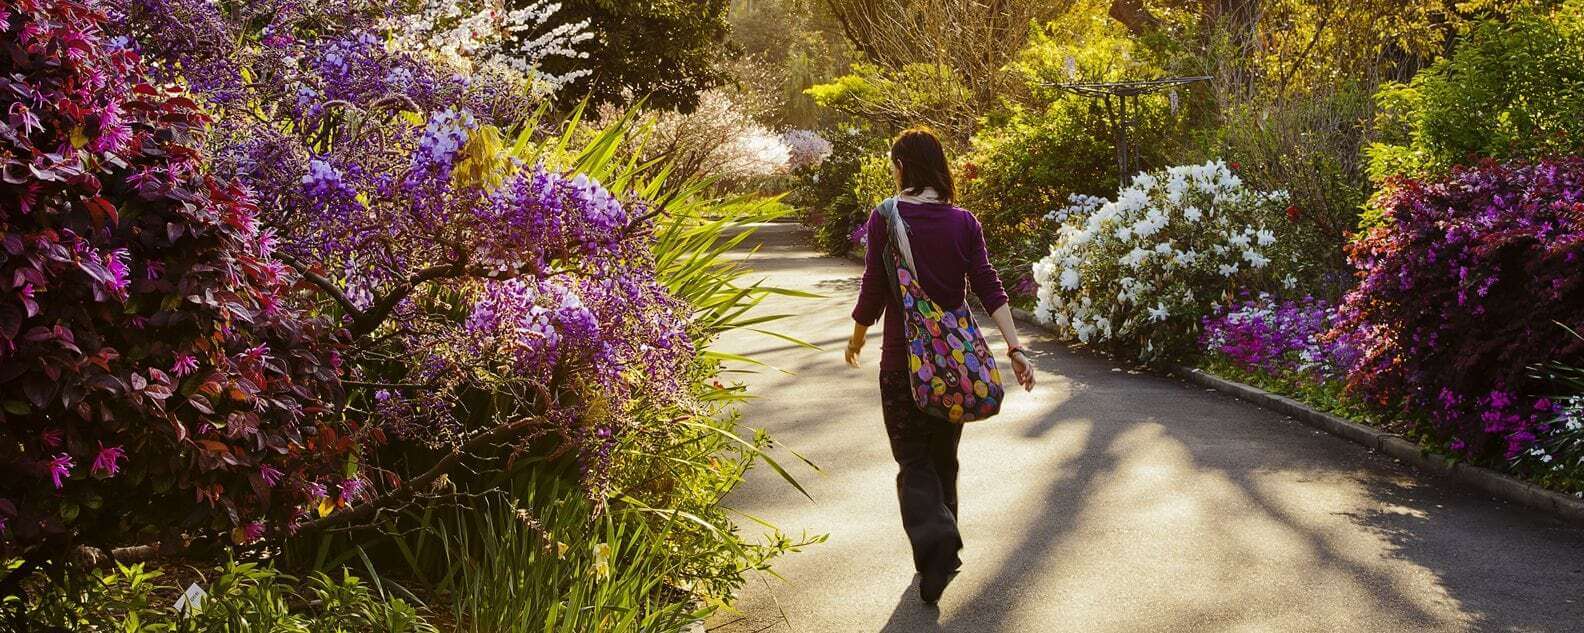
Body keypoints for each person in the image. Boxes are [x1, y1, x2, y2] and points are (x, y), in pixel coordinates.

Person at [845, 127, 1036, 605]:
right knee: (943, 458)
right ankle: (944, 556)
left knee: (912, 461)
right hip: (953, 368)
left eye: (894, 164)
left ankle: (935, 549)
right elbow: (988, 285)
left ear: (903, 166)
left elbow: (873, 286)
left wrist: (858, 334)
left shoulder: (885, 218)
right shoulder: (964, 222)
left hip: (901, 364)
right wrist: (1015, 348)